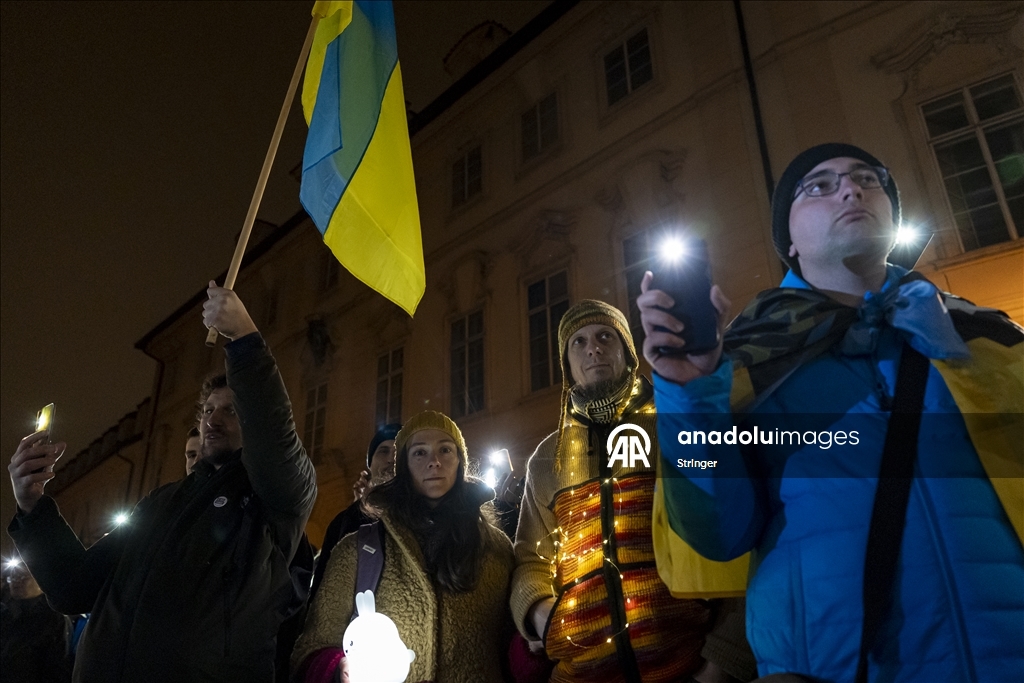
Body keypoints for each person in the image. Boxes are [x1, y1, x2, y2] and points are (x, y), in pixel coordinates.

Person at [641, 143, 1024, 681]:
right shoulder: (747, 366)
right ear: (790, 242)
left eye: (867, 179)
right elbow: (717, 532)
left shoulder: (992, 343)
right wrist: (689, 397)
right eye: (819, 186)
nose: (851, 189)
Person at [7, 282, 318, 682]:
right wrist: (33, 508)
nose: (212, 419)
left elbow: (274, 434)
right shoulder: (158, 502)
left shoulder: (273, 498)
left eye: (232, 410)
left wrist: (245, 339)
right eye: (207, 409)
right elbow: (75, 587)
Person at [511, 299, 756, 683]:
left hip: (686, 667)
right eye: (578, 342)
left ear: (626, 349)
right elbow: (529, 560)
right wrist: (543, 617)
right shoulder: (547, 459)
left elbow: (733, 534)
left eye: (605, 336)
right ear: (567, 364)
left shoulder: (674, 427)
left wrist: (721, 663)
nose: (593, 348)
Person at [293, 410, 514, 683]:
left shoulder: (496, 549)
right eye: (419, 453)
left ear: (460, 461)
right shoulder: (357, 550)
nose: (434, 462)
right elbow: (311, 646)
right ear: (403, 468)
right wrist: (337, 670)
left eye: (445, 450)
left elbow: (513, 645)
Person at [308, 423, 401, 602]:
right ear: (369, 466)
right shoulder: (345, 520)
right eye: (383, 451)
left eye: (399, 452)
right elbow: (322, 588)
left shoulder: (422, 515)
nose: (392, 459)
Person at [1, 558, 71, 683]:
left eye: (23, 577)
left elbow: (57, 665)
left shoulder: (54, 618)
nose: (16, 581)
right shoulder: (5, 612)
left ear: (40, 581)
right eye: (13, 577)